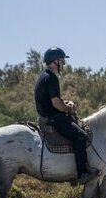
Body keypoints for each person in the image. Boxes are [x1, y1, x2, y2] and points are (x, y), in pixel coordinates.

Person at [34, 47, 100, 185]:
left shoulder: (44, 76)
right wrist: (69, 108)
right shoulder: (51, 77)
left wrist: (65, 103)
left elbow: (54, 100)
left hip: (48, 116)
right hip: (54, 118)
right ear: (55, 61)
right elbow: (56, 103)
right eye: (62, 60)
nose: (64, 63)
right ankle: (82, 173)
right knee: (81, 136)